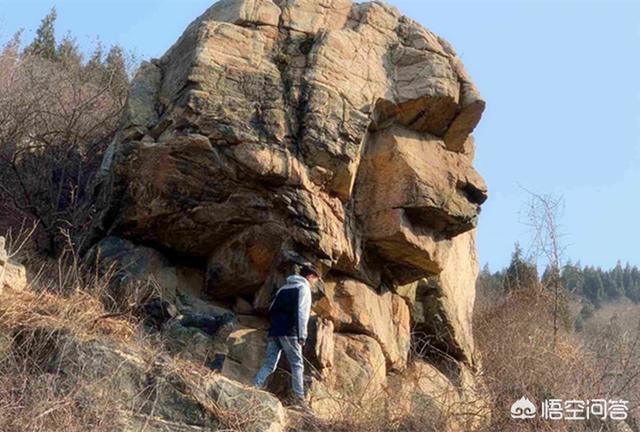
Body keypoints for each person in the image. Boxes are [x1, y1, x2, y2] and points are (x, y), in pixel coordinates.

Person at [254, 264, 319, 407]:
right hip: (290, 332)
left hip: (274, 331)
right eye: (315, 279)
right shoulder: (303, 289)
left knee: (269, 364)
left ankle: (254, 388)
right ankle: (299, 399)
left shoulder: (283, 288)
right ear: (310, 277)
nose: (315, 282)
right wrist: (302, 335)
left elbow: (271, 309)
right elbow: (302, 313)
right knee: (297, 365)